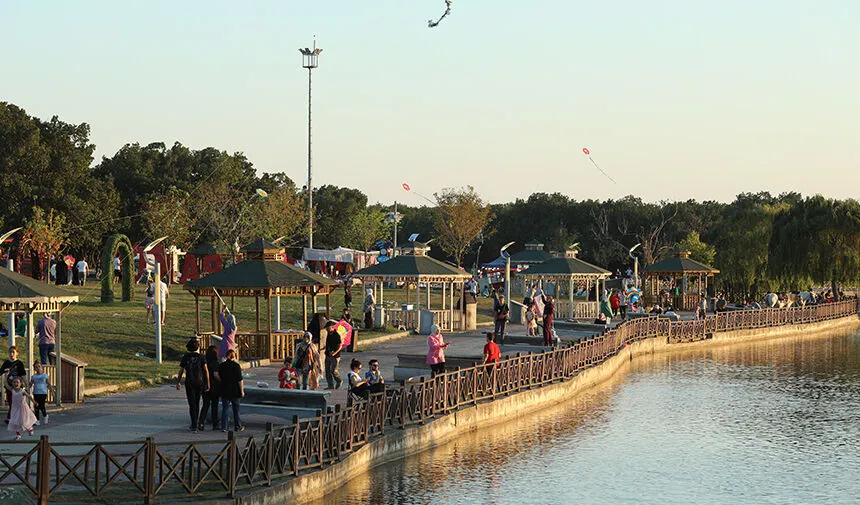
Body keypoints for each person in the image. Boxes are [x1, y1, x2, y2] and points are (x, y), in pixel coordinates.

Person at [177, 338, 210, 433]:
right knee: (197, 401)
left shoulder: (186, 357)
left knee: (191, 404)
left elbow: (181, 370)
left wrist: (178, 381)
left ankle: (194, 424)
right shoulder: (202, 357)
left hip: (189, 382)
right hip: (200, 382)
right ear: (197, 347)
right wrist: (208, 383)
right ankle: (197, 422)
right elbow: (205, 371)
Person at [215, 349, 244, 432]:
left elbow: (216, 374)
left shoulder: (222, 365)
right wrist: (242, 390)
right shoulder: (236, 366)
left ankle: (224, 426)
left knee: (225, 409)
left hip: (225, 388)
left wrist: (221, 380)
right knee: (236, 409)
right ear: (233, 356)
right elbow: (240, 379)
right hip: (235, 389)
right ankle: (238, 426)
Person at [1, 346, 26, 423]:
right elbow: (1, 371)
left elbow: (23, 375)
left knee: (19, 402)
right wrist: (5, 373)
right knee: (11, 402)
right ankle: (11, 418)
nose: (11, 354)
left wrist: (26, 384)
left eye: (13, 352)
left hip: (18, 387)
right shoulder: (6, 363)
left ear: (17, 353)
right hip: (9, 386)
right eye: (10, 352)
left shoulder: (19, 363)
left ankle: (19, 418)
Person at [200, 345, 220, 431]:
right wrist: (221, 381)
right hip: (214, 386)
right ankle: (215, 424)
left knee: (205, 405)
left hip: (204, 385)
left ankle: (201, 422)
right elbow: (216, 375)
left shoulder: (204, 362)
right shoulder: (215, 363)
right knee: (214, 405)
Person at [324, 321, 344, 389]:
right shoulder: (328, 334)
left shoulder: (336, 335)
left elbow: (340, 345)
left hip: (335, 356)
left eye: (328, 328)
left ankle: (339, 380)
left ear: (332, 327)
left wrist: (334, 352)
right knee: (327, 371)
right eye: (326, 328)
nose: (326, 329)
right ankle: (330, 385)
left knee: (333, 370)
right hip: (327, 355)